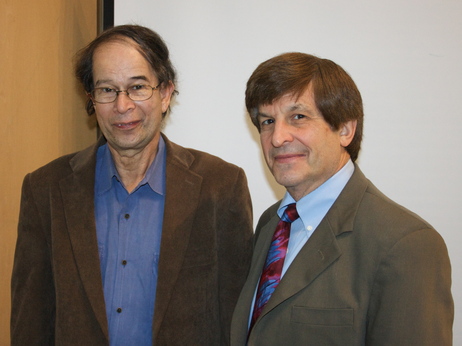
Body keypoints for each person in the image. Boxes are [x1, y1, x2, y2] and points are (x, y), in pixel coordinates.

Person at [11, 24, 253, 345]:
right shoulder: (45, 190)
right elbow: (30, 322)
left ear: (166, 93)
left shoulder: (221, 186)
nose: (122, 106)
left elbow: (237, 319)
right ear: (92, 100)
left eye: (137, 87)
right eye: (107, 90)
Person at [231, 52, 453, 345]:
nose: (277, 137)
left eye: (298, 117)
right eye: (268, 121)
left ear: (345, 129)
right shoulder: (271, 223)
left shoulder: (405, 244)